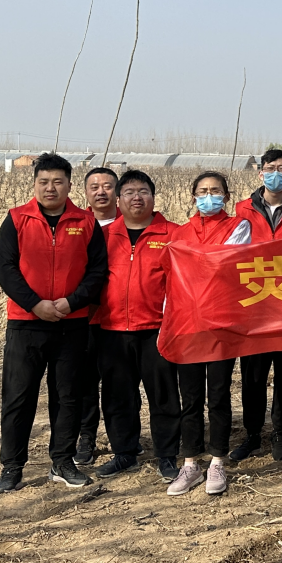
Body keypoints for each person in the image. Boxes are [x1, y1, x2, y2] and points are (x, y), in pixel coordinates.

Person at [0, 153, 108, 496]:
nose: (50, 188)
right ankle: (12, 467)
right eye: (44, 182)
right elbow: (6, 269)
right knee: (19, 396)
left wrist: (72, 302)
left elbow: (97, 271)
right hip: (26, 323)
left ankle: (62, 461)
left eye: (58, 182)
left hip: (71, 324)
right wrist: (35, 304)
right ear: (35, 184)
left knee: (67, 396)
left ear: (70, 185)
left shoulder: (85, 222)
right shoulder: (17, 219)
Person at [164, 171, 252, 498]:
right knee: (190, 397)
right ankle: (190, 462)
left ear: (227, 197)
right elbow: (174, 277)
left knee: (218, 394)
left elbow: (227, 263)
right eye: (202, 191)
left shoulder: (239, 227)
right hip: (187, 324)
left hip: (221, 324)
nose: (208, 196)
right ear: (193, 196)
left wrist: (198, 265)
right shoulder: (180, 233)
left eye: (215, 191)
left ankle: (217, 460)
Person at [91, 170, 182, 484]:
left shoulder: (173, 234)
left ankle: (167, 455)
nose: (136, 198)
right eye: (129, 192)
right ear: (118, 199)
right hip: (112, 329)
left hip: (157, 329)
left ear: (153, 197)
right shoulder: (103, 236)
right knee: (118, 396)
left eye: (143, 191)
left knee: (163, 395)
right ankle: (124, 452)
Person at [229, 148, 282, 463]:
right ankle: (252, 434)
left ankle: (280, 432)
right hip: (254, 304)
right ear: (260, 173)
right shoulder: (242, 209)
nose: (275, 174)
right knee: (253, 375)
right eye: (270, 168)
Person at [74, 165, 119, 466]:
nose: (101, 192)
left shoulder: (131, 224)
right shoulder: (78, 224)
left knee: (119, 382)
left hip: (119, 318)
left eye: (107, 186)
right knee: (85, 382)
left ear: (117, 192)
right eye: (94, 187)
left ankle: (123, 438)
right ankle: (86, 437)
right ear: (86, 192)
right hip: (84, 316)